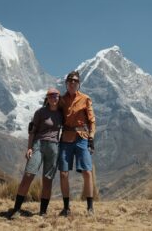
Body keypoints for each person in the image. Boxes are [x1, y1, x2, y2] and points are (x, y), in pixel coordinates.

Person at [9, 87, 63, 219]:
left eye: (55, 95)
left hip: (54, 147)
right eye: (50, 96)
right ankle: (16, 209)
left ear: (59, 97)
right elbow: (32, 131)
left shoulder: (62, 114)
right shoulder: (40, 112)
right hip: (38, 144)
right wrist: (29, 148)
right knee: (28, 175)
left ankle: (43, 212)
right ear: (47, 98)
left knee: (47, 180)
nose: (53, 98)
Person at [58, 71, 96, 216]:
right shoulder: (61, 100)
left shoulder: (86, 99)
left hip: (82, 138)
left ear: (78, 83)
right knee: (63, 173)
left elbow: (92, 120)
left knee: (87, 172)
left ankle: (90, 208)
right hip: (66, 138)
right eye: (70, 81)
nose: (72, 83)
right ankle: (66, 208)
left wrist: (91, 137)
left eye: (75, 81)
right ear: (66, 83)